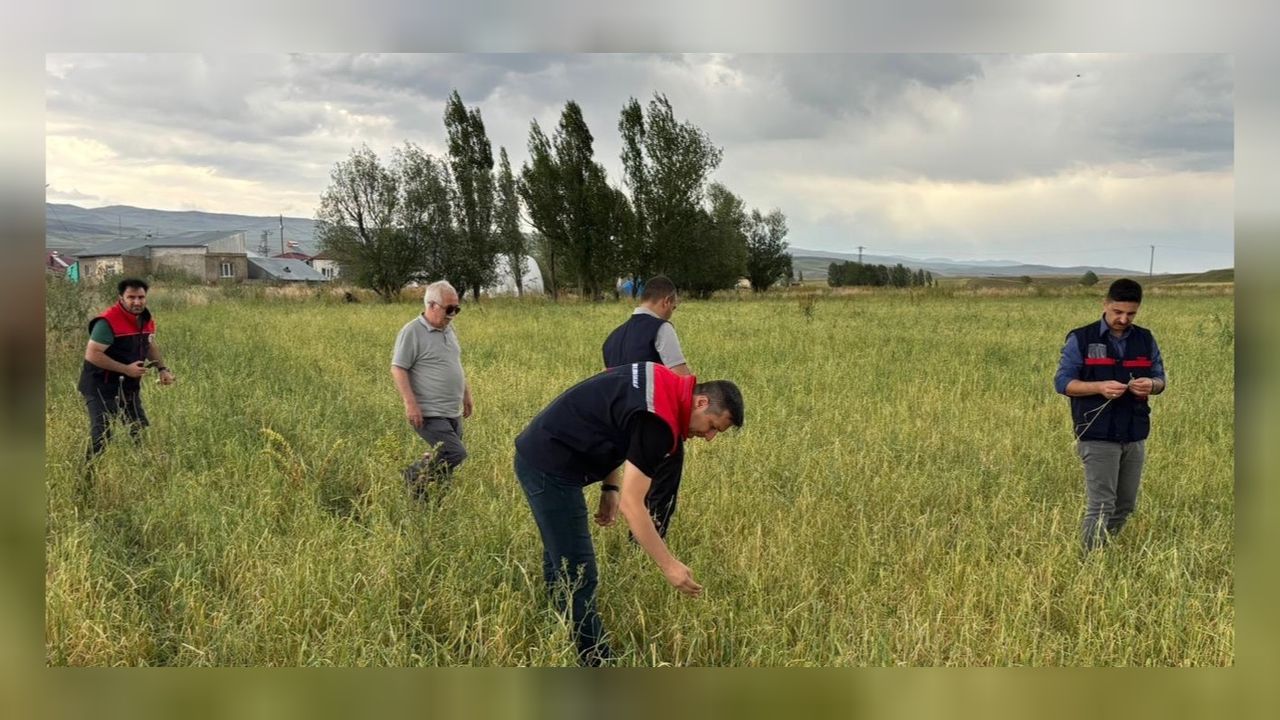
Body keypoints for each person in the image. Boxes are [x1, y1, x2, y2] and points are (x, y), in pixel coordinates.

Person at [513, 361, 743, 665]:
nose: (710, 437)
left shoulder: (660, 380)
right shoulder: (659, 422)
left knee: (563, 559)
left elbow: (611, 420)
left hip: (545, 450)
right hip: (549, 466)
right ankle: (597, 663)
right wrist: (669, 565)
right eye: (713, 426)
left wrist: (610, 487)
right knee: (580, 573)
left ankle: (558, 625)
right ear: (701, 402)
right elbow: (633, 506)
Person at [1055, 278, 1167, 551]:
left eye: (1131, 313)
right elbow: (1062, 383)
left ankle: (1102, 549)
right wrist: (1098, 387)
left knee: (1125, 504)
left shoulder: (1145, 338)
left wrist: (1151, 385)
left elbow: (1160, 380)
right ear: (1105, 304)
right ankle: (1089, 562)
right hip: (1097, 433)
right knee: (1101, 504)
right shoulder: (1081, 338)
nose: (1123, 318)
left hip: (1134, 433)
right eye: (1117, 312)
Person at [601, 275, 690, 539]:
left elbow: (608, 386)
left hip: (626, 429)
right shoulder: (661, 329)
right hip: (659, 425)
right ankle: (649, 549)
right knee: (660, 494)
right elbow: (682, 377)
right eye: (674, 306)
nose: (672, 311)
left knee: (637, 492)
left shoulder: (612, 338)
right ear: (667, 301)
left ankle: (635, 543)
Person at [78, 277, 176, 466]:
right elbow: (92, 354)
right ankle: (85, 481)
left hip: (128, 386)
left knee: (138, 429)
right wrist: (126, 369)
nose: (137, 302)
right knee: (102, 436)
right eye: (131, 297)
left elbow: (149, 344)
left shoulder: (145, 319)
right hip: (101, 386)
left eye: (141, 297)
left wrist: (162, 369)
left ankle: (143, 470)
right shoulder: (107, 322)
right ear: (121, 298)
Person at [391, 280, 473, 498]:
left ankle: (431, 504)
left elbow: (454, 364)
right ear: (432, 305)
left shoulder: (449, 329)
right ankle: (413, 475)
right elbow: (398, 368)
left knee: (446, 465)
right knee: (455, 453)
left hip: (452, 411)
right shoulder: (412, 331)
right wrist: (410, 403)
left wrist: (466, 394)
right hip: (429, 412)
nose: (452, 314)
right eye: (449, 309)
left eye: (456, 309)